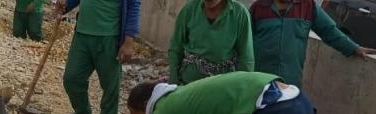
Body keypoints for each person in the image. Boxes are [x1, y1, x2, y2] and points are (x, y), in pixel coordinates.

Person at [250, 0, 376, 87]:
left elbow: (329, 30)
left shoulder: (306, 5)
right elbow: (244, 40)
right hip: (260, 79)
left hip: (290, 81)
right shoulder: (259, 8)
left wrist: (354, 48)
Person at [168, 0, 254, 84]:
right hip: (190, 82)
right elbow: (175, 47)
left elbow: (246, 56)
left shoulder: (239, 13)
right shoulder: (190, 10)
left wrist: (243, 86)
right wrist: (173, 80)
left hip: (223, 84)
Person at [126, 71, 314, 114]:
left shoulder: (163, 109)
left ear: (145, 105)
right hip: (297, 98)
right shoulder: (182, 94)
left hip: (275, 107)